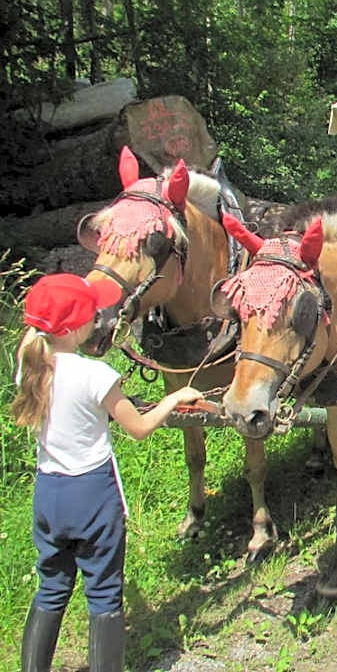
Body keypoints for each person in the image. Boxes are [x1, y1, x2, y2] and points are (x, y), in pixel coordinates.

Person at [13, 274, 202, 672]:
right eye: (91, 314)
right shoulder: (95, 376)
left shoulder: (29, 365)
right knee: (103, 595)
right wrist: (174, 398)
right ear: (75, 328)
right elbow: (139, 428)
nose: (98, 319)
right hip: (92, 496)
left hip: (48, 493)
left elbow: (40, 339)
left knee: (51, 588)